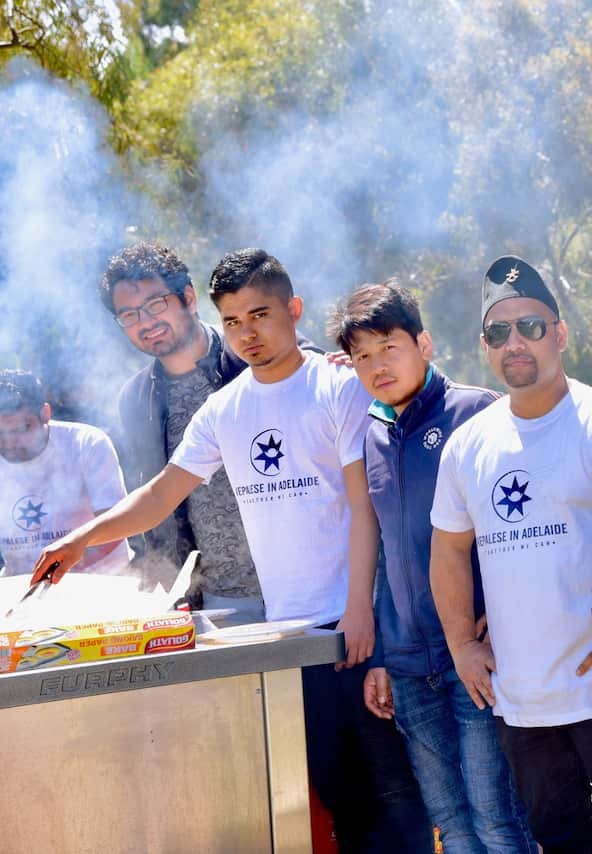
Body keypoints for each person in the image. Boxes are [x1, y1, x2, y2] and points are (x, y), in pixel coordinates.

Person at [35, 248, 429, 852]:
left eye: (260, 315)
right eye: (234, 321)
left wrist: (359, 609)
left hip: (355, 627)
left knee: (396, 800)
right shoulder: (224, 408)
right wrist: (82, 537)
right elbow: (161, 494)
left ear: (293, 310)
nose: (248, 333)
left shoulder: (336, 386)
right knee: (340, 797)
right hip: (288, 634)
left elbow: (362, 507)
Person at [429, 256, 592, 854]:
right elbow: (448, 550)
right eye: (498, 332)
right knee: (560, 841)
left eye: (530, 327)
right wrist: (461, 645)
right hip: (520, 701)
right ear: (484, 346)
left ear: (560, 334)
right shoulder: (467, 446)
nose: (514, 343)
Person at [330, 279, 535, 853]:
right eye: (361, 357)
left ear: (424, 344)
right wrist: (380, 658)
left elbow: (517, 526)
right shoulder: (372, 434)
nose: (377, 366)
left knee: (496, 816)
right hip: (407, 663)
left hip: (473, 655)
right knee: (450, 820)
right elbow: (384, 552)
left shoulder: (477, 412)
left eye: (388, 347)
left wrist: (502, 619)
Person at [102, 242, 295, 615]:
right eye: (129, 315)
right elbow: (152, 496)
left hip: (302, 583)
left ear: (188, 298)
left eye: (155, 304)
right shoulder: (136, 399)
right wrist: (168, 585)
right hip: (216, 600)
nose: (145, 322)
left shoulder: (252, 354)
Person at [0, 369, 130, 576]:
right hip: (21, 585)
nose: (8, 443)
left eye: (21, 429)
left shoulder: (86, 444)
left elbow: (117, 523)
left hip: (101, 578)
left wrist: (51, 575)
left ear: (45, 414)